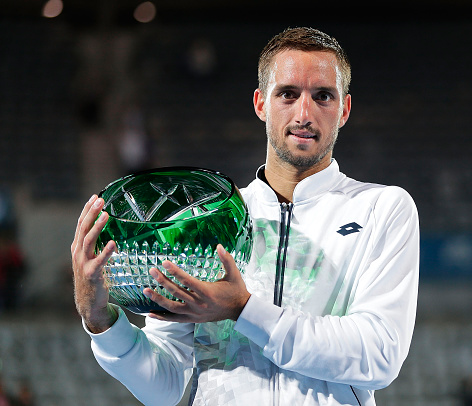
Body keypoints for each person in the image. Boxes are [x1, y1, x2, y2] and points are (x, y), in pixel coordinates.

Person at [71, 27, 419, 406]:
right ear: (260, 104)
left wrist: (244, 309)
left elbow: (379, 355)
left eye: (322, 96)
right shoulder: (207, 221)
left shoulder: (381, 208)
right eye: (288, 94)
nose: (304, 113)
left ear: (344, 110)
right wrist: (101, 321)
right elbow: (165, 385)